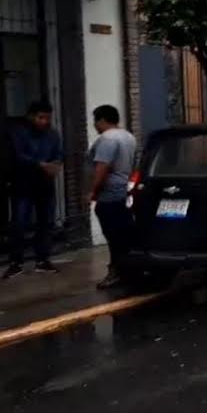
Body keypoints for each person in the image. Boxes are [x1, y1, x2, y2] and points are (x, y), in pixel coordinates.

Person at [4, 100, 64, 279]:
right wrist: (40, 165)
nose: (44, 121)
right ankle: (16, 262)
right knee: (19, 224)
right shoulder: (18, 133)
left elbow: (59, 153)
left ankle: (43, 260)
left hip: (45, 185)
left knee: (46, 223)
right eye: (40, 117)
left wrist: (56, 164)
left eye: (47, 118)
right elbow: (18, 155)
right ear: (31, 116)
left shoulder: (52, 135)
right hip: (22, 185)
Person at [88, 104, 138, 289]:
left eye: (95, 121)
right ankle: (128, 270)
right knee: (123, 235)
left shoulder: (107, 139)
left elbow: (102, 168)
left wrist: (93, 191)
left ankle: (116, 271)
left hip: (109, 195)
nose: (94, 125)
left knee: (113, 237)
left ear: (101, 120)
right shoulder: (128, 137)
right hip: (124, 192)